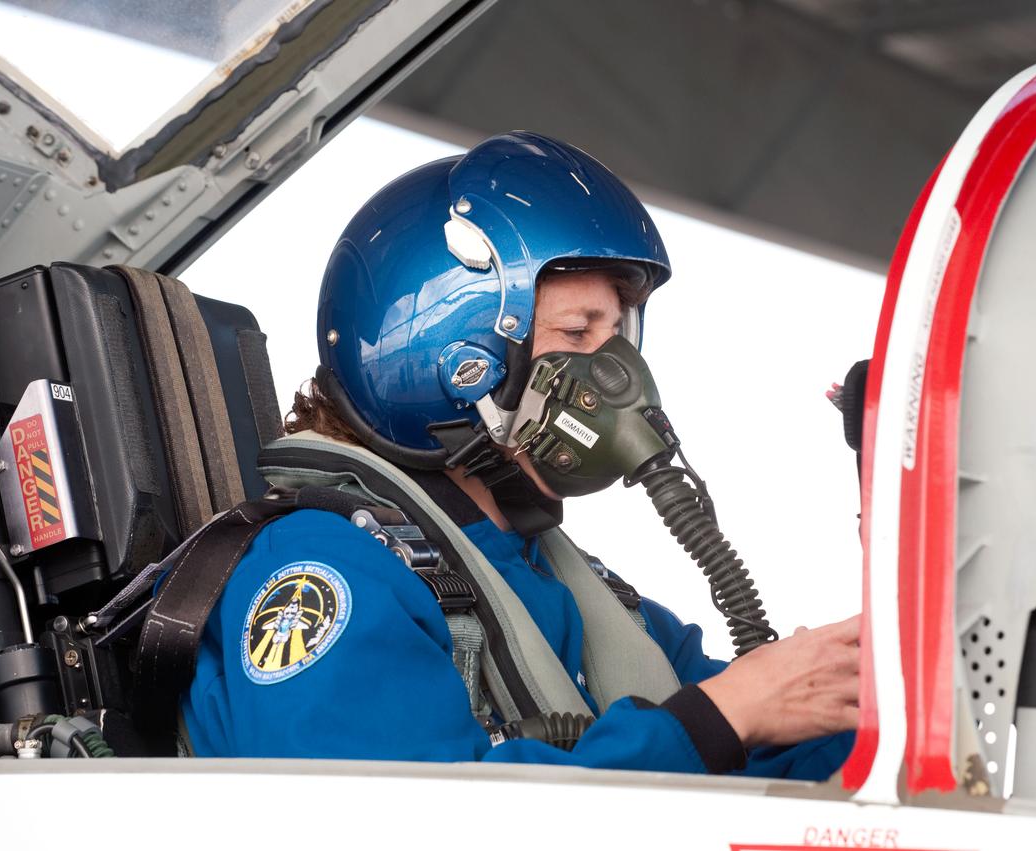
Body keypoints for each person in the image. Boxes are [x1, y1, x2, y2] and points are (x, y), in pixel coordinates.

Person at [180, 131, 859, 778]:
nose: (616, 371)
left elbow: (775, 734)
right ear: (452, 358)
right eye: (576, 331)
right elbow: (389, 825)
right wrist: (718, 717)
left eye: (617, 334)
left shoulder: (578, 589)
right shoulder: (324, 574)